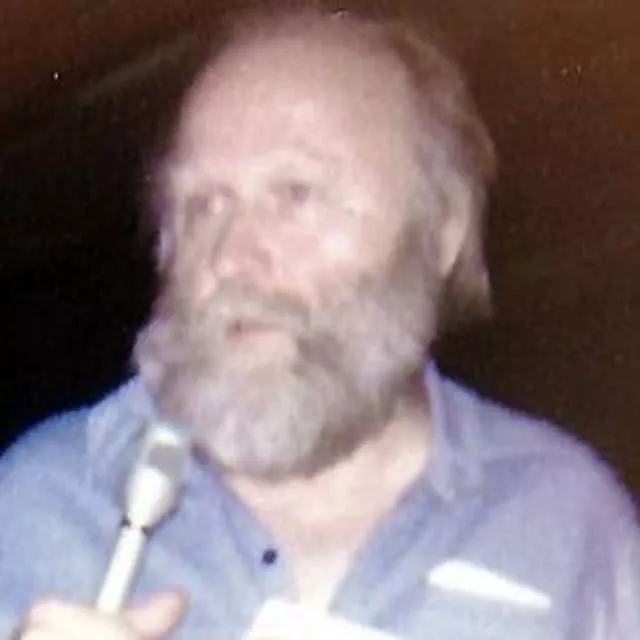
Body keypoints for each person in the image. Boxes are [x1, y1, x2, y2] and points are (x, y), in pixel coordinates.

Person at [1, 7, 638, 640]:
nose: (231, 257)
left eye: (296, 194)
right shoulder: (43, 502)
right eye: (204, 205)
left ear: (439, 233)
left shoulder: (569, 524)